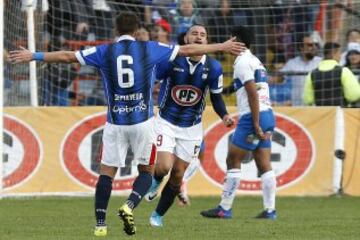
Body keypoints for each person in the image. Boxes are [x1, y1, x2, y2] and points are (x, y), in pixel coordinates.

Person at [9, 12, 244, 236]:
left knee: (106, 174)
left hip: (115, 122)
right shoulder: (150, 49)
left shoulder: (104, 51)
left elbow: (67, 56)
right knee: (148, 171)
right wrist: (221, 46)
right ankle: (131, 204)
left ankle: (101, 225)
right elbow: (186, 50)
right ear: (137, 30)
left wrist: (34, 56)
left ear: (115, 29)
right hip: (143, 122)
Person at [146, 24, 234, 227]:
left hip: (192, 127)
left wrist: (225, 115)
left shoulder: (214, 67)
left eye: (203, 34)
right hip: (166, 121)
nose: (199, 36)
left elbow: (217, 98)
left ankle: (157, 215)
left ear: (207, 41)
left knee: (177, 175)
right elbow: (151, 82)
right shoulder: (172, 60)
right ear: (186, 39)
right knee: (163, 166)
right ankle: (157, 180)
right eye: (194, 33)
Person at [201, 25, 277, 220]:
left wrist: (255, 122)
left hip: (254, 116)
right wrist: (228, 91)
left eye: (230, 38)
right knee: (264, 163)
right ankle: (270, 210)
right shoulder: (256, 61)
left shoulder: (242, 62)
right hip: (269, 114)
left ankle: (224, 208)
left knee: (232, 159)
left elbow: (252, 92)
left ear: (235, 40)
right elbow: (253, 87)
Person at [303, 42, 360, 107]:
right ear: (333, 54)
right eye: (339, 53)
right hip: (339, 113)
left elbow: (308, 100)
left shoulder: (312, 74)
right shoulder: (344, 71)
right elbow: (353, 96)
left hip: (321, 113)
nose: (340, 56)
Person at [281, 34, 322, 106]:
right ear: (301, 47)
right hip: (297, 106)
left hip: (315, 106)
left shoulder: (321, 62)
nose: (314, 47)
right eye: (310, 45)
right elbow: (279, 78)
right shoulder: (292, 63)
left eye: (315, 45)